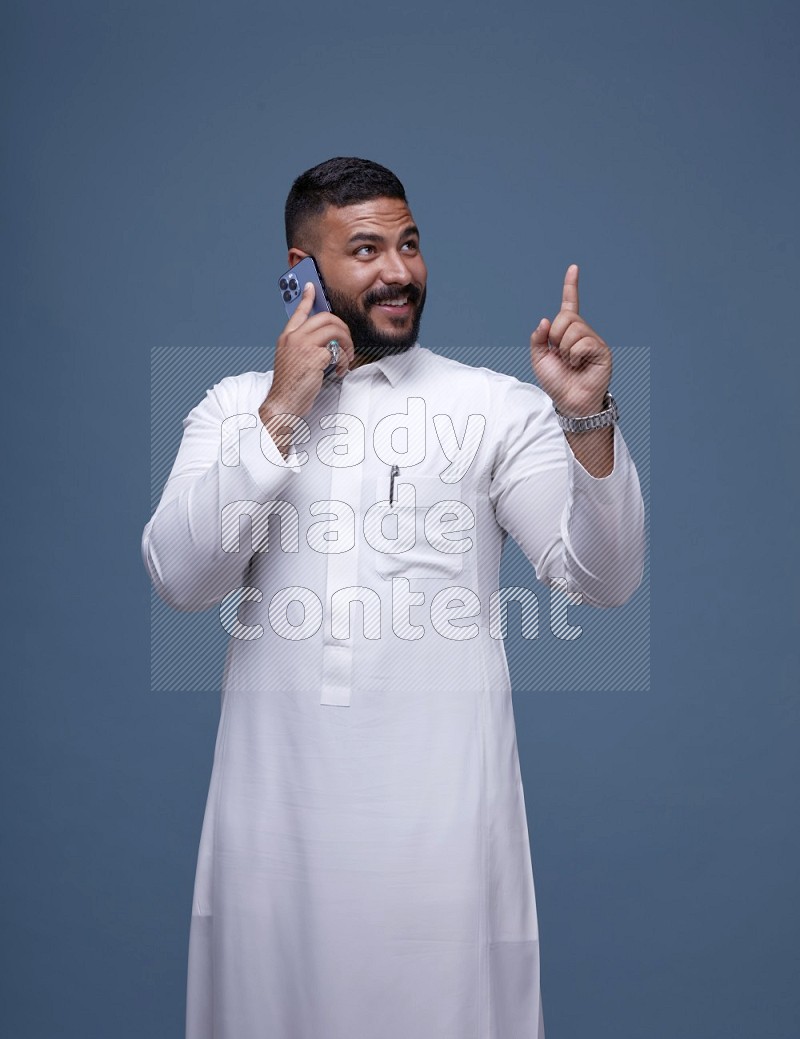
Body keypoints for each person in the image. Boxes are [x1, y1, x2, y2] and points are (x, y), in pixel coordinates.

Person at [142, 156, 645, 1039]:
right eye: (366, 249)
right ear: (300, 269)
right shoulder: (232, 410)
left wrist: (586, 421)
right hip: (276, 839)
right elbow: (183, 578)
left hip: (444, 837)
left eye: (408, 244)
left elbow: (604, 581)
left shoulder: (495, 407)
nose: (400, 272)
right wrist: (282, 410)